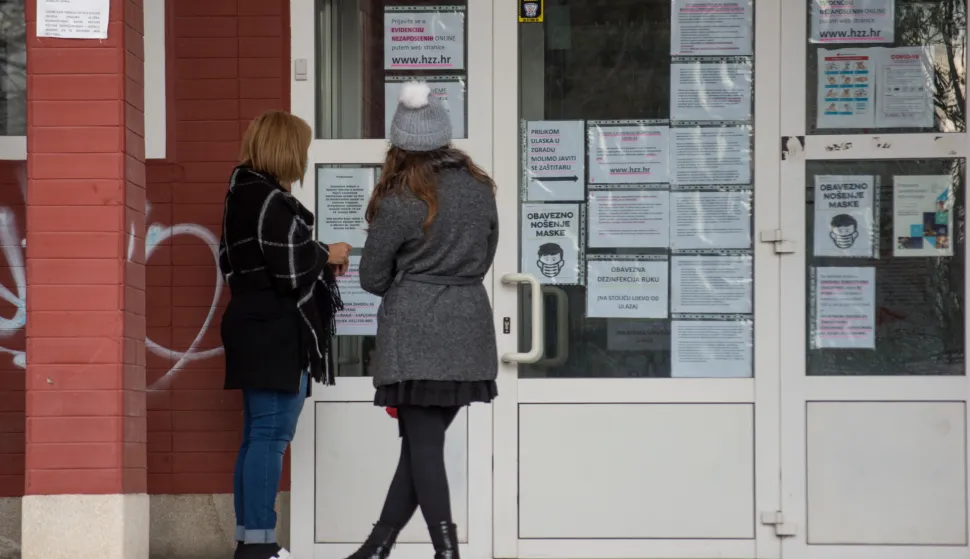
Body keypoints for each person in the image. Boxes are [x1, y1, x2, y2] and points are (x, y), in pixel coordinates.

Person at [348, 82, 499, 559]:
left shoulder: (400, 198)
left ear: (399, 146)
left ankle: (445, 552)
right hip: (469, 329)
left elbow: (372, 277)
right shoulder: (480, 189)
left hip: (413, 334)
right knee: (420, 446)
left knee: (424, 448)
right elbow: (486, 255)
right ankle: (377, 547)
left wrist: (413, 273)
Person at [219, 110, 351, 559]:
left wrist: (313, 254)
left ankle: (249, 542)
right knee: (270, 437)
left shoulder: (240, 193)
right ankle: (261, 547)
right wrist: (327, 252)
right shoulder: (270, 201)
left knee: (257, 436)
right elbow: (291, 268)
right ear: (288, 150)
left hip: (250, 323)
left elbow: (231, 261)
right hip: (274, 329)